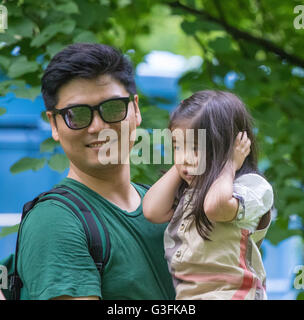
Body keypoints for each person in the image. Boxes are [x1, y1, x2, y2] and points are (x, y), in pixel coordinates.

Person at [13, 43, 175, 300]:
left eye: (112, 108)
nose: (98, 127)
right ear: (54, 124)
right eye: (76, 115)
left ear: (135, 110)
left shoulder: (167, 205)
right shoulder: (55, 222)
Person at [143, 90, 274, 300]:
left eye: (195, 148)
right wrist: (181, 164)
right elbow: (151, 210)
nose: (184, 157)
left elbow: (215, 207)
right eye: (177, 146)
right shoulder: (187, 191)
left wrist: (229, 164)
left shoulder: (250, 187)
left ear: (230, 147)